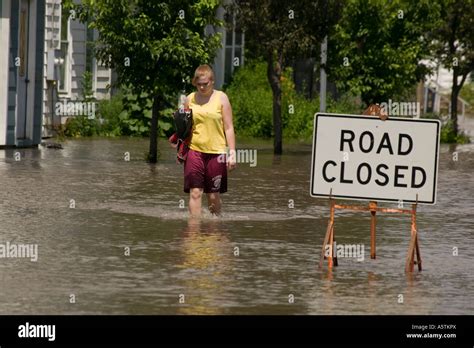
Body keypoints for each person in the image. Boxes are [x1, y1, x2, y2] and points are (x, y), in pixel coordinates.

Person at [183, 64, 236, 217]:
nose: (201, 87)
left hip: (217, 152)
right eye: (198, 84)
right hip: (195, 150)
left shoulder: (222, 98)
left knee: (213, 195)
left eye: (205, 84)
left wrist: (231, 153)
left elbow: (229, 127)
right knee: (195, 192)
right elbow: (184, 128)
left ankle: (214, 228)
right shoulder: (190, 99)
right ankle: (193, 230)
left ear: (212, 81)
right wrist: (179, 145)